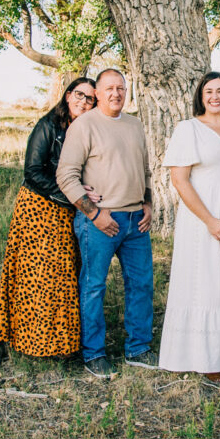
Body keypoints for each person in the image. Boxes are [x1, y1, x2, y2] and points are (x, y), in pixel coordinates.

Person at [159, 72, 220, 384]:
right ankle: (207, 356)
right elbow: (179, 180)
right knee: (206, 282)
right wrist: (211, 221)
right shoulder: (188, 129)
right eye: (209, 92)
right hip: (199, 220)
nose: (215, 96)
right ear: (200, 98)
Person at [56, 69, 157, 379]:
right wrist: (94, 214)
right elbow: (66, 176)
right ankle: (94, 352)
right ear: (97, 93)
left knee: (141, 285)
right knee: (93, 286)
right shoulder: (84, 126)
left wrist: (148, 203)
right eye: (109, 88)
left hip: (135, 222)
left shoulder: (135, 124)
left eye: (121, 88)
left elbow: (145, 170)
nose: (116, 93)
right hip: (99, 222)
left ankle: (139, 348)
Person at [0, 77, 97, 359]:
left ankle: (62, 342)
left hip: (69, 210)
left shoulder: (88, 129)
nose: (84, 102)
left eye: (90, 98)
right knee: (36, 277)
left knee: (64, 274)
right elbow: (33, 171)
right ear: (67, 96)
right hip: (39, 208)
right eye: (79, 95)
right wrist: (72, 192)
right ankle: (32, 342)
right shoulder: (48, 126)